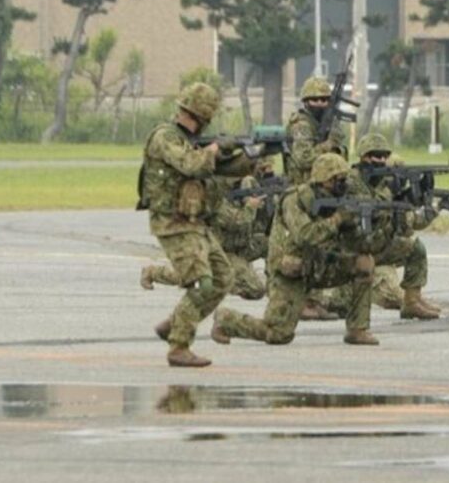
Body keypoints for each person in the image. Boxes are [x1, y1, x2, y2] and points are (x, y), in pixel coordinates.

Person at [211, 153, 382, 347]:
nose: (342, 185)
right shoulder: (295, 199)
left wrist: (362, 223)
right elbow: (304, 235)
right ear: (323, 180)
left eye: (343, 180)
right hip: (290, 272)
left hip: (320, 265)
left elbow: (358, 245)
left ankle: (357, 329)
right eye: (337, 180)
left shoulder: (339, 200)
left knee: (364, 263)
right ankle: (226, 319)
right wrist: (338, 219)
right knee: (278, 334)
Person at [139, 82, 253, 367]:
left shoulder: (192, 142)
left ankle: (175, 323)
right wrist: (215, 149)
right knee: (202, 283)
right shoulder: (165, 138)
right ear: (198, 114)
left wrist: (250, 156)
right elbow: (193, 165)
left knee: (223, 278)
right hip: (172, 224)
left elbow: (219, 171)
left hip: (195, 223)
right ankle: (178, 345)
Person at [327, 133, 441, 320]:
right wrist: (391, 190)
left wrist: (416, 192)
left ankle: (412, 302)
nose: (379, 160)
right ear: (363, 156)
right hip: (352, 248)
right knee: (341, 306)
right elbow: (368, 206)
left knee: (415, 248)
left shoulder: (381, 181)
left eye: (383, 157)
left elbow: (398, 210)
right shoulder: (351, 180)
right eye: (374, 156)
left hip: (377, 243)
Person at [140, 171, 270, 301]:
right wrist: (250, 207)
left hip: (240, 246)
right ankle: (153, 273)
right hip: (222, 253)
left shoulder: (238, 199)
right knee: (255, 290)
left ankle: (273, 283)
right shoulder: (218, 202)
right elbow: (237, 222)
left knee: (270, 244)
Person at [283, 76, 348, 320]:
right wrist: (326, 146)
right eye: (316, 100)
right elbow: (302, 158)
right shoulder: (301, 124)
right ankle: (302, 301)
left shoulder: (329, 124)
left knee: (323, 245)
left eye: (325, 99)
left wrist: (335, 144)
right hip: (301, 193)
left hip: (323, 191)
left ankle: (314, 299)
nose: (321, 103)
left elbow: (339, 155)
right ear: (306, 101)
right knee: (304, 246)